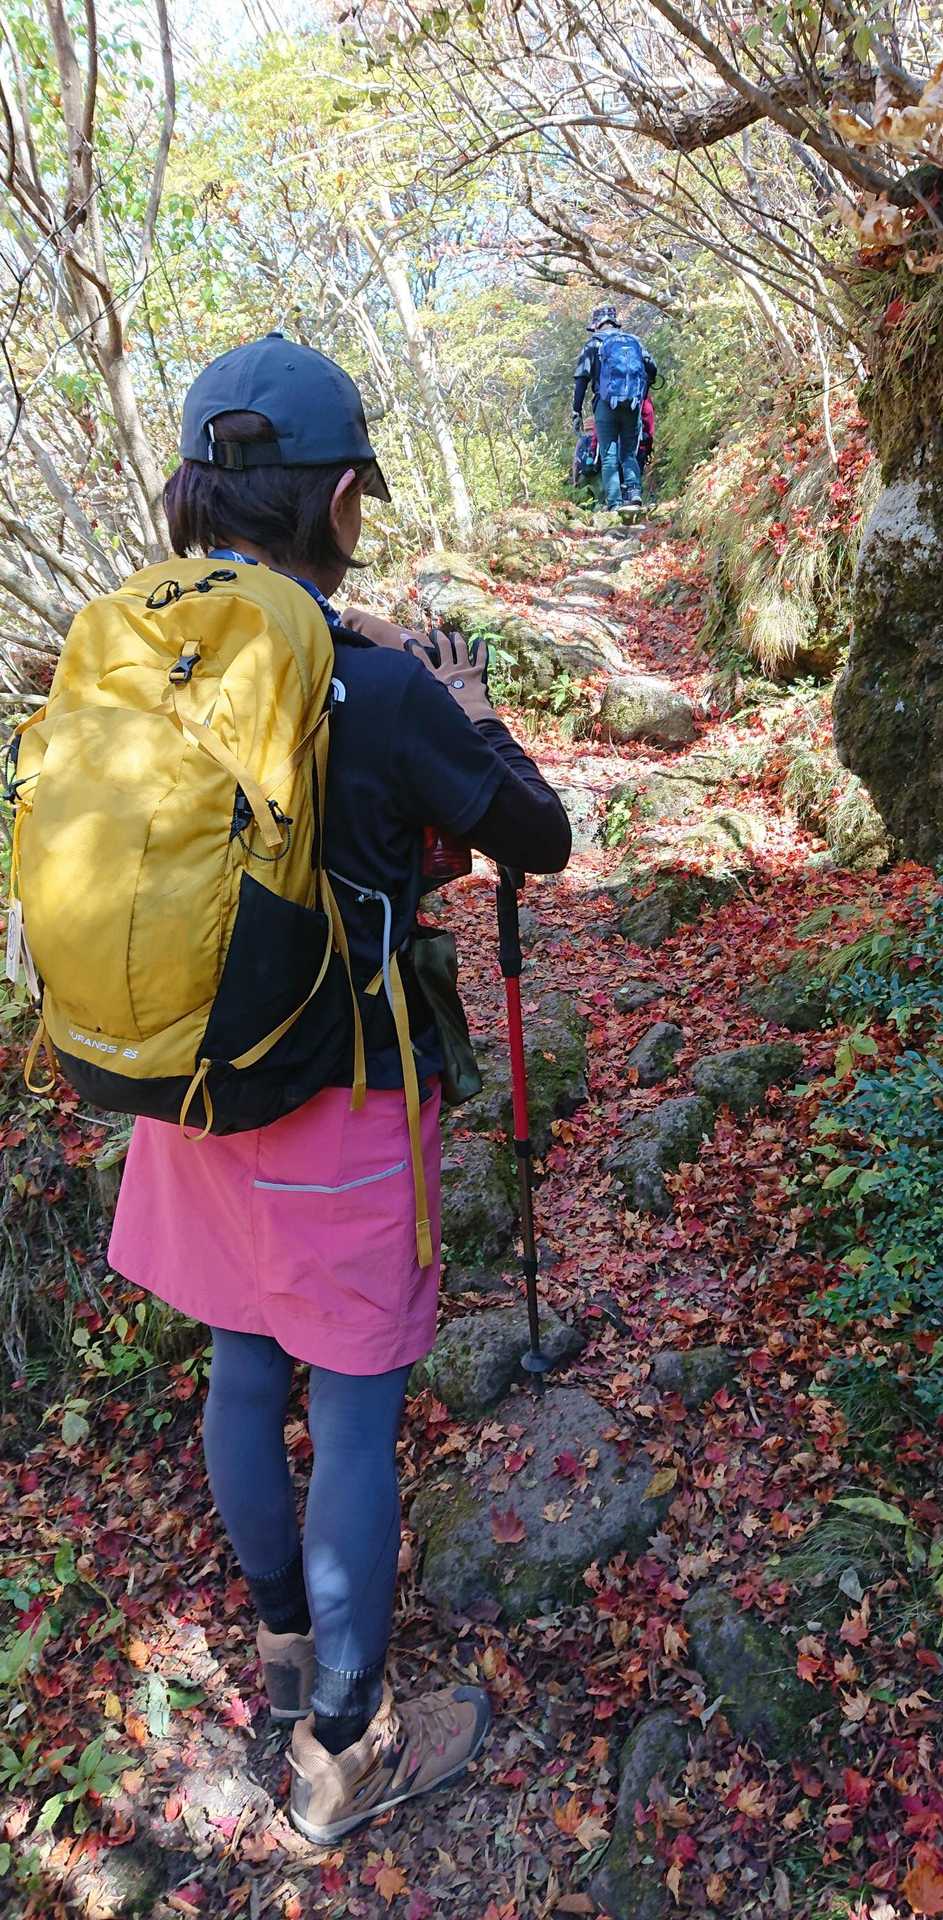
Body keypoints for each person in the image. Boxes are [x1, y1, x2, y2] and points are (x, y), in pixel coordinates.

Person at [106, 335, 572, 1842]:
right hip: (343, 1106)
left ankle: (281, 1641)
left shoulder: (147, 657)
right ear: (341, 497)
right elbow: (540, 834)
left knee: (244, 1374)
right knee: (355, 1423)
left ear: (195, 493)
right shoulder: (376, 685)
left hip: (187, 1091)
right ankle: (342, 1751)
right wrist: (467, 704)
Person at [572, 303, 657, 511]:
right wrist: (642, 392)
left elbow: (581, 379)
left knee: (609, 454)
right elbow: (652, 368)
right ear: (614, 322)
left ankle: (614, 503)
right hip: (632, 405)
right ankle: (634, 493)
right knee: (628, 452)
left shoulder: (593, 344)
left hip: (605, 406)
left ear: (597, 325)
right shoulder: (633, 341)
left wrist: (576, 410)